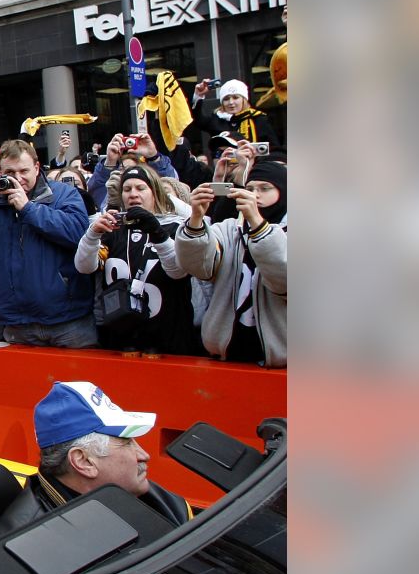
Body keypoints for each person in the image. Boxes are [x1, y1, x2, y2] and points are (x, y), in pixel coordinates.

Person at [0, 381, 193, 539]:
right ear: (84, 461)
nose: (144, 455)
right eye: (127, 443)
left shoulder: (159, 501)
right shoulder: (28, 545)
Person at [0, 139, 96, 347]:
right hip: (16, 323)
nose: (18, 179)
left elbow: (79, 235)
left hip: (68, 320)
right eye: (9, 173)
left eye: (23, 171)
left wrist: (29, 209)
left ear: (37, 168)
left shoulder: (63, 194)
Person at [75, 165, 201, 355]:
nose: (133, 194)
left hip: (167, 336)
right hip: (120, 337)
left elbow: (178, 272)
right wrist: (92, 235)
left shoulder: (176, 226)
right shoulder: (112, 229)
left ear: (155, 192)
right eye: (127, 189)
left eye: (140, 188)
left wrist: (157, 232)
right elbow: (84, 267)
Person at [175, 160, 288, 367]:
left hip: (284, 361)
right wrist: (196, 219)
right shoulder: (230, 229)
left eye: (265, 188)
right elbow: (199, 267)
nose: (255, 195)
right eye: (251, 188)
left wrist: (258, 225)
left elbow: (285, 281)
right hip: (229, 354)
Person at [191, 78, 279, 146]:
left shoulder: (258, 119)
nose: (231, 102)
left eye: (236, 97)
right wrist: (198, 95)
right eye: (226, 99)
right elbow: (197, 119)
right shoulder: (217, 119)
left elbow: (273, 146)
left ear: (244, 100)